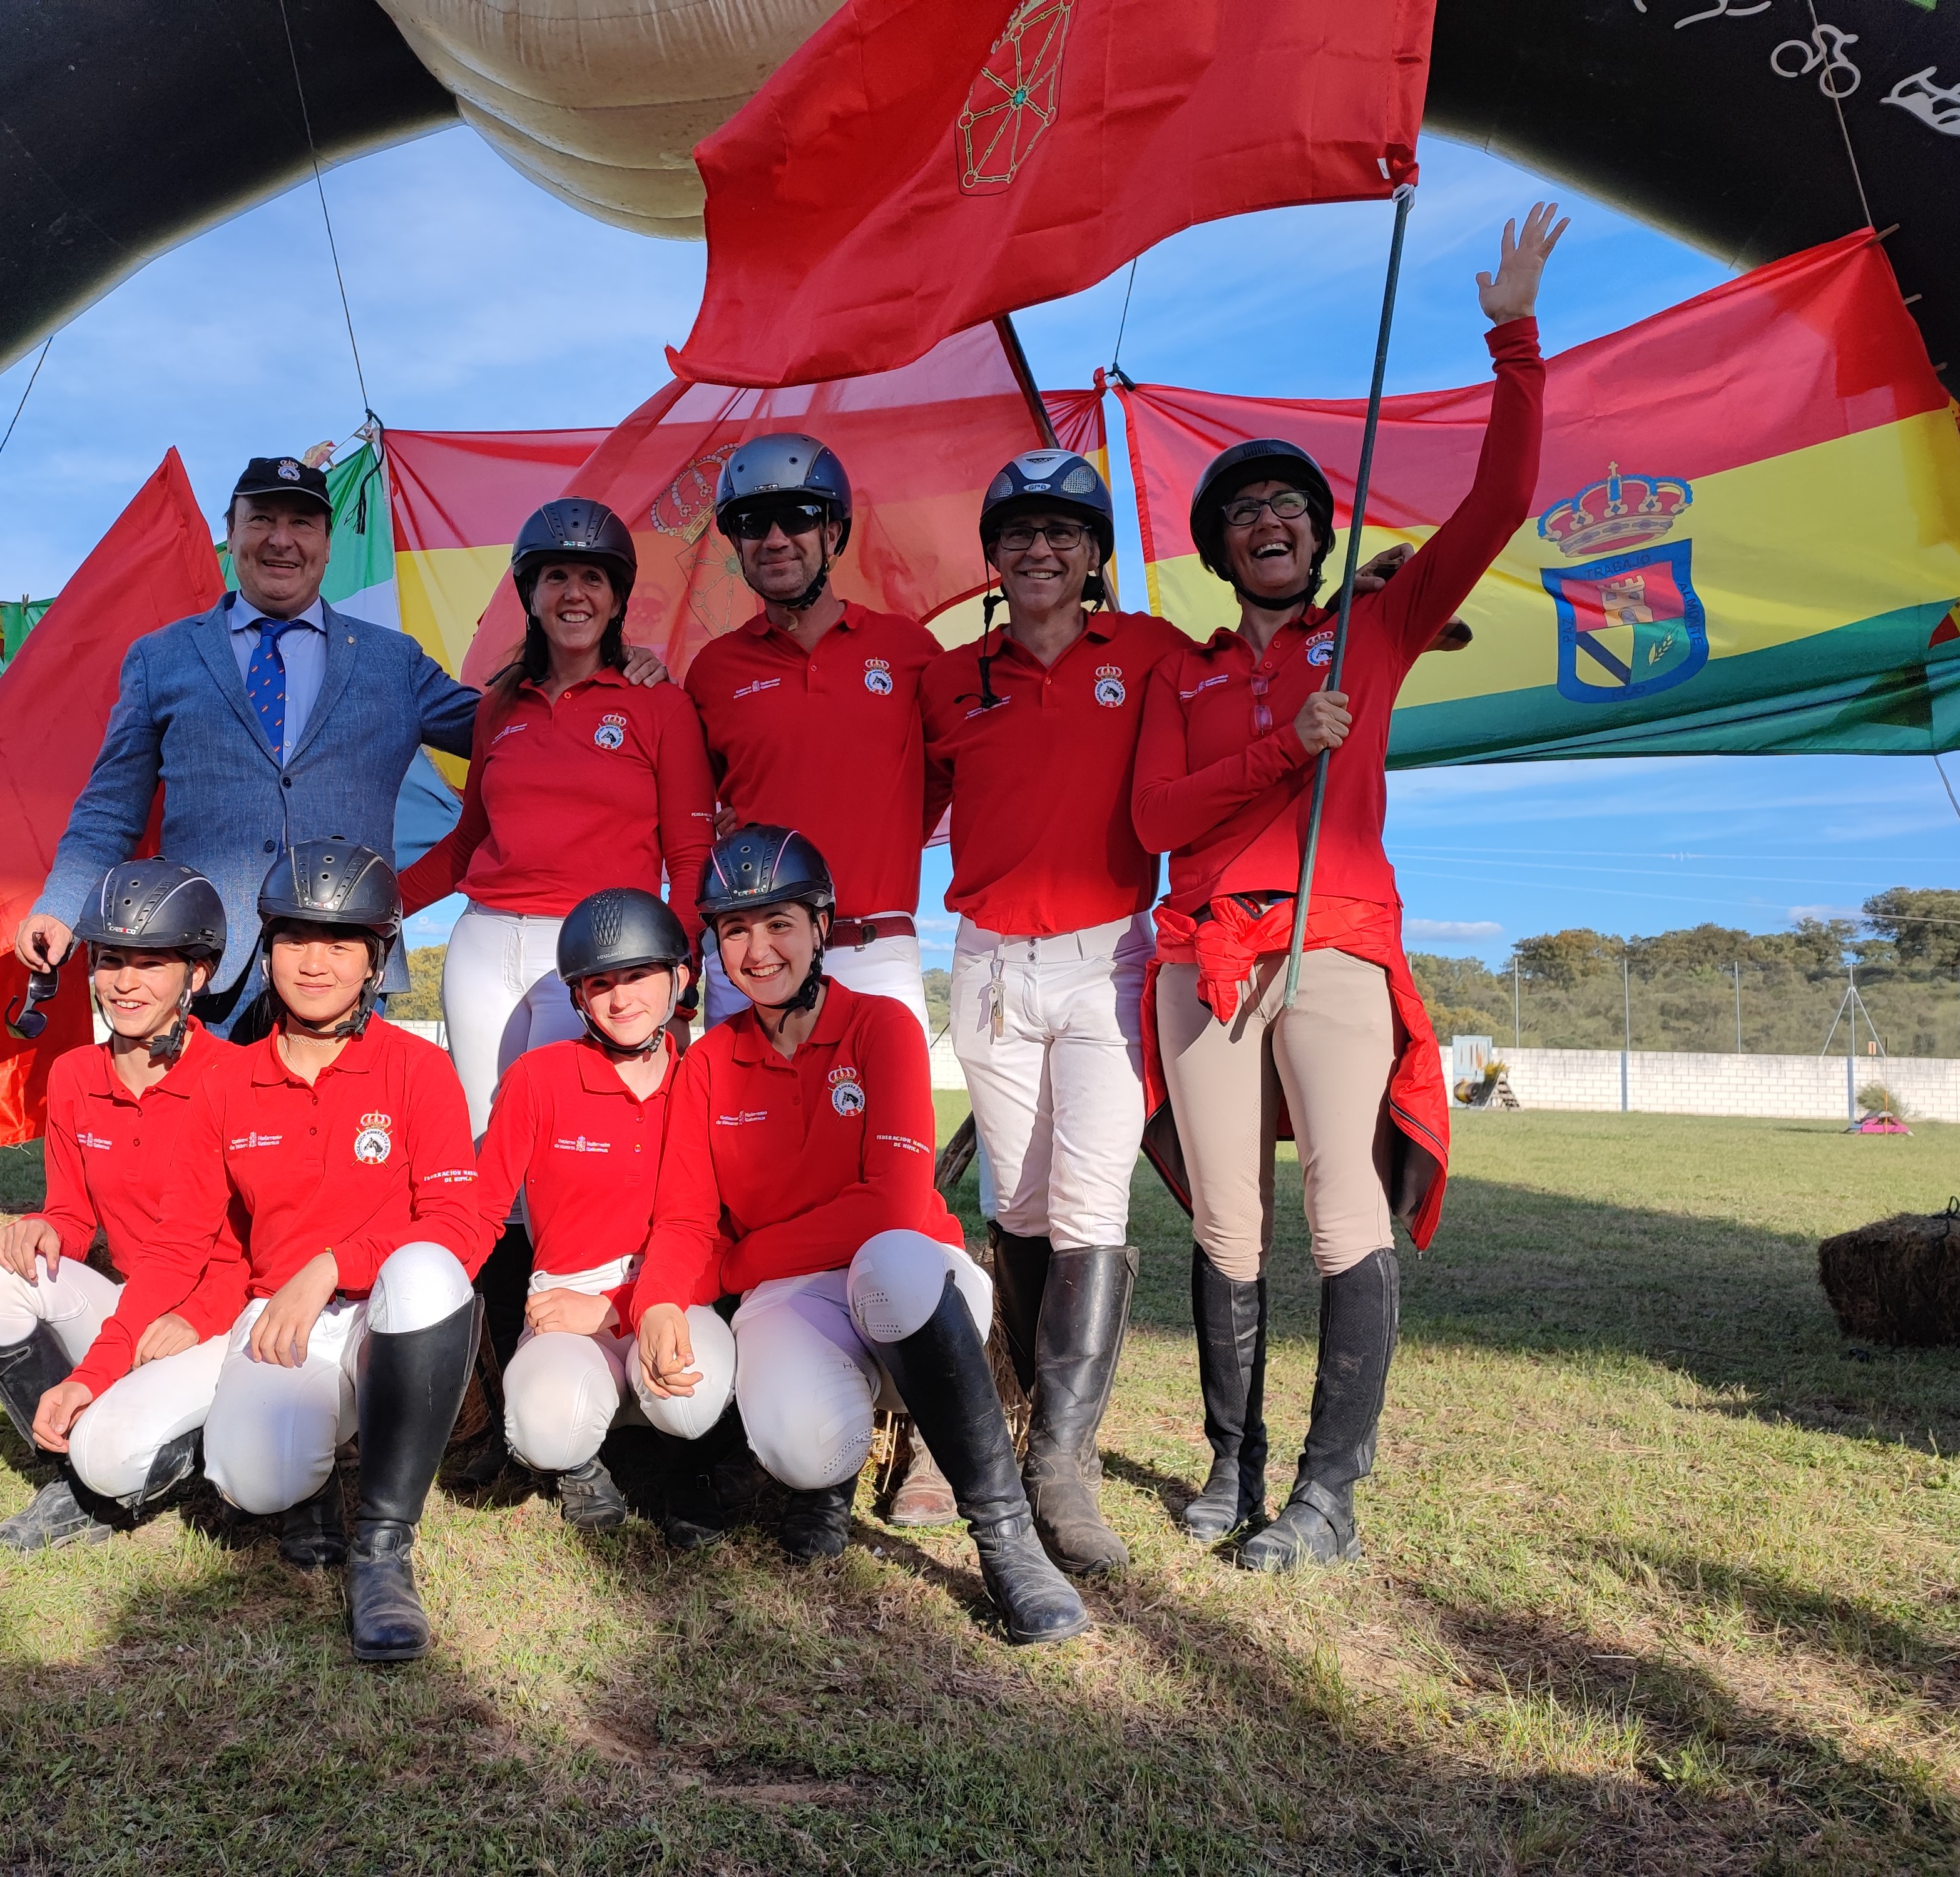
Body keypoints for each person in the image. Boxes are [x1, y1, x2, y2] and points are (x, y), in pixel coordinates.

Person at [1130, 203, 1564, 1574]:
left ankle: (1324, 1495)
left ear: (1321, 536)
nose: (1267, 520)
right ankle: (1229, 1464)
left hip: (1332, 944)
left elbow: (1498, 501)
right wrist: (1279, 741)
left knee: (1336, 1206)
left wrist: (1511, 337)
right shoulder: (1179, 665)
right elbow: (1153, 813)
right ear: (1215, 549)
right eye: (1242, 512)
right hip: (1197, 954)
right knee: (1222, 1218)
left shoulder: (1373, 626)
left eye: (1289, 508)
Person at [631, 827, 1089, 1646]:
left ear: (821, 927)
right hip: (796, 1291)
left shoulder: (883, 1028)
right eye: (734, 930)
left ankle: (1006, 1536)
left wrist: (740, 1261)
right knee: (806, 1448)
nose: (757, 948)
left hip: (912, 1273)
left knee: (889, 1262)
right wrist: (662, 1299)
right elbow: (685, 1217)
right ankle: (825, 1485)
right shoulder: (707, 1065)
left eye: (778, 924)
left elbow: (890, 1205)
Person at [15, 455, 665, 1028]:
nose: (281, 540)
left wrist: (613, 674)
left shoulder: (392, 662)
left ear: (327, 544)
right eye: (262, 520)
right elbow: (110, 807)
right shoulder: (162, 658)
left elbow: (525, 732)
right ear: (231, 533)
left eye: (301, 524)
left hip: (351, 960)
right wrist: (61, 905)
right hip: (207, 963)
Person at [915, 450, 1191, 1579]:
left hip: (1108, 963)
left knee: (1090, 1200)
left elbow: (1264, 664)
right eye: (1020, 532)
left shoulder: (1157, 654)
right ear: (993, 556)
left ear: (1097, 554)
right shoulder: (946, 678)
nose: (1042, 548)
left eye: (1065, 531)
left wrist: (1357, 614)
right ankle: (1012, 1414)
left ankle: (1062, 1468)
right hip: (987, 962)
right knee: (1014, 1201)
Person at [182, 839, 488, 1662]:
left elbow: (463, 1219)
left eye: (341, 942)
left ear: (375, 959)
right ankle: (311, 1483)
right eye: (293, 939)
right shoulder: (226, 1080)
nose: (315, 963)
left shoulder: (421, 1071)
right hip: (283, 1318)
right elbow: (209, 1239)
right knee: (255, 1480)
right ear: (268, 949)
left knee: (427, 1270)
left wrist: (334, 1263)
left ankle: (384, 1549)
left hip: (386, 1312)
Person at [0, 860, 249, 1552]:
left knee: (113, 1458)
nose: (124, 983)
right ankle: (70, 1472)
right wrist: (44, 1229)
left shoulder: (240, 1076)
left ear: (196, 976)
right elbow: (74, 1216)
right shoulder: (75, 1073)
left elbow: (263, 1245)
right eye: (111, 961)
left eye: (151, 964)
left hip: (219, 1318)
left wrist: (197, 1315)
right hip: (137, 1306)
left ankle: (175, 1447)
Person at [397, 499, 712, 1136]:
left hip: (599, 951)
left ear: (618, 600)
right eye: (556, 578)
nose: (575, 594)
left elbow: (689, 857)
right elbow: (470, 843)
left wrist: (678, 975)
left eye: (592, 578)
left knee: (572, 1143)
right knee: (485, 1141)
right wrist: (376, 906)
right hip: (482, 946)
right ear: (530, 594)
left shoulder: (661, 705)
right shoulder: (497, 708)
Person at [466, 888, 737, 1540]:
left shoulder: (708, 1077)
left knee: (692, 1396)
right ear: (579, 996)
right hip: (566, 1295)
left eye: (639, 976)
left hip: (679, 1290)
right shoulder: (538, 1077)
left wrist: (621, 1307)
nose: (621, 1000)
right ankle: (581, 1464)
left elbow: (722, 1233)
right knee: (546, 1425)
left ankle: (693, 1464)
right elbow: (481, 1207)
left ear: (678, 976)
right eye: (599, 983)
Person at [682, 435, 942, 1037]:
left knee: (884, 1133)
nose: (775, 539)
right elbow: (690, 818)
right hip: (754, 957)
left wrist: (888, 828)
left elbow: (962, 770)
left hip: (876, 952)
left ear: (832, 533)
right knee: (743, 1133)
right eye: (753, 523)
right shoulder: (712, 672)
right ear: (737, 544)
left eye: (798, 518)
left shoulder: (909, 651)